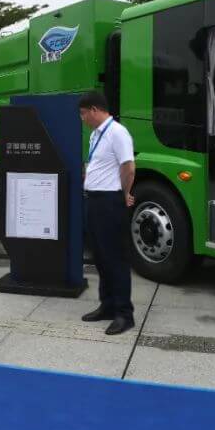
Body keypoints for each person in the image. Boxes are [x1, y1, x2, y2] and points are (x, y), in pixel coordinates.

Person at [78, 91, 136, 336]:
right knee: (100, 257)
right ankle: (108, 305)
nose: (82, 118)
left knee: (115, 259)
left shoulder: (117, 132)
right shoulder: (95, 134)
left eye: (83, 114)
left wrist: (125, 193)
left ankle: (124, 314)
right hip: (93, 200)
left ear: (94, 109)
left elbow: (128, 167)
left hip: (110, 202)